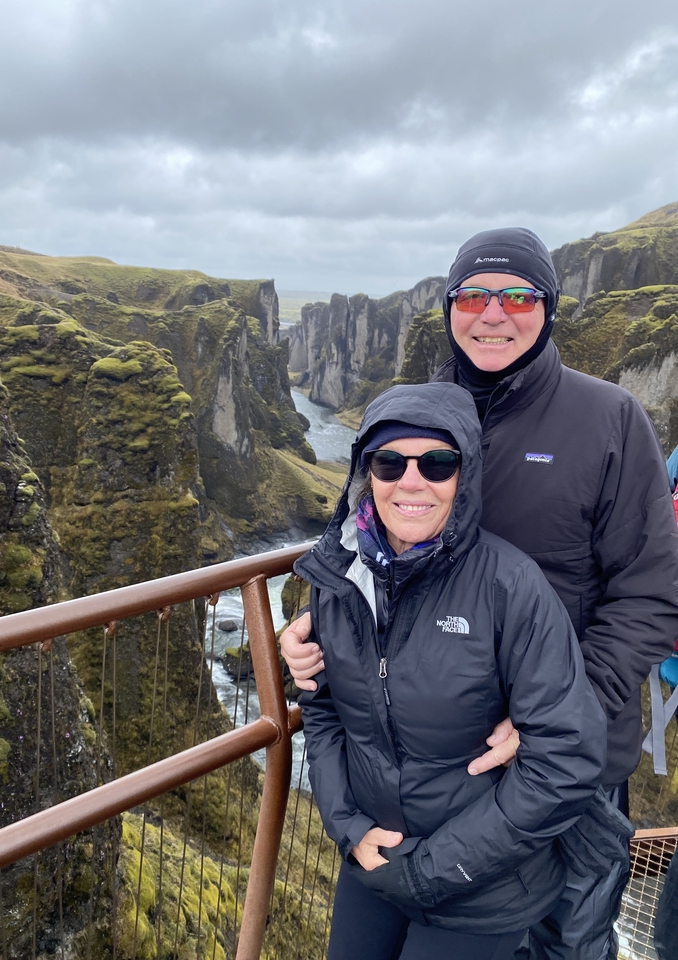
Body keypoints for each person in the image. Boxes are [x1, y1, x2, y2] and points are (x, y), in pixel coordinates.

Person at [283, 227, 678, 959]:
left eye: (518, 295)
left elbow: (653, 592)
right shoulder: (417, 415)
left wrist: (558, 712)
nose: (493, 314)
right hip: (424, 752)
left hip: (563, 765)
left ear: (550, 307)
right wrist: (312, 628)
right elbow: (363, 539)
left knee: (564, 941)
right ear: (449, 307)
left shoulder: (609, 420)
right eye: (472, 295)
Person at [296, 380, 610, 960]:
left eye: (436, 463)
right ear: (365, 475)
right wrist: (347, 828)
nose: (410, 482)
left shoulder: (509, 587)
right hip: (374, 861)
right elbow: (322, 714)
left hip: (480, 885)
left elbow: (567, 756)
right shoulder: (340, 581)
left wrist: (432, 870)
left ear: (464, 478)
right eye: (389, 463)